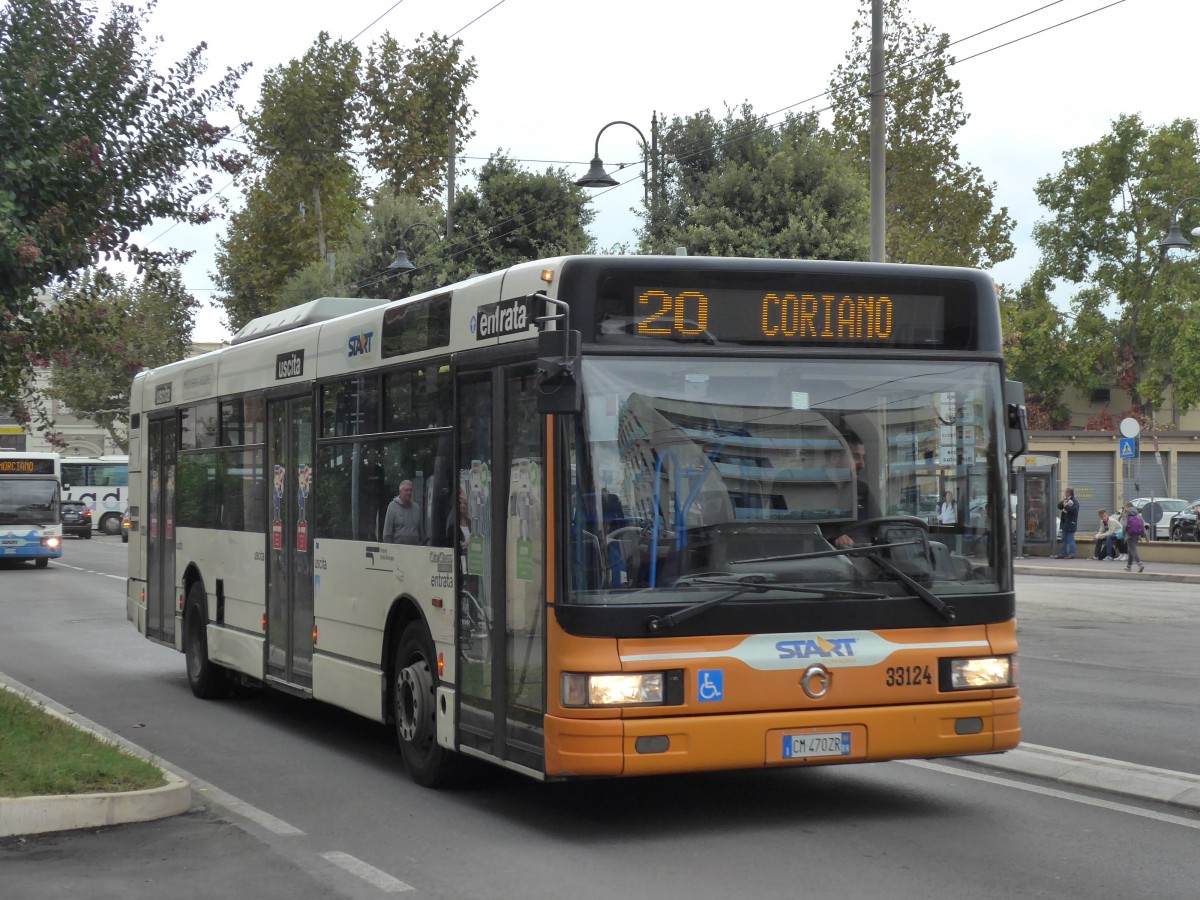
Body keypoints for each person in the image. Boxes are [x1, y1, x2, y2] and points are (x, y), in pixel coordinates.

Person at [833, 430, 871, 549]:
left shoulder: (862, 490)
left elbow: (880, 524)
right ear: (834, 457)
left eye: (862, 457)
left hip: (864, 558)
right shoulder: (810, 489)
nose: (862, 464)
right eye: (855, 457)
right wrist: (836, 538)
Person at [383, 479, 425, 545]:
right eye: (406, 490)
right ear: (400, 492)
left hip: (414, 550)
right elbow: (387, 533)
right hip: (397, 550)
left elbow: (421, 532)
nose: (409, 493)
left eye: (411, 490)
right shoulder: (392, 506)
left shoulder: (416, 507)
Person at [1054, 487, 1080, 559]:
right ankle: (1063, 554)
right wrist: (1063, 502)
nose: (1065, 493)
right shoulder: (1065, 500)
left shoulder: (1074, 501)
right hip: (1065, 523)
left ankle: (1071, 554)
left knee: (1070, 539)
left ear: (1069, 493)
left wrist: (1066, 506)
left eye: (1066, 492)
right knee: (1064, 539)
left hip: (1071, 523)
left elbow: (1074, 511)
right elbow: (1059, 506)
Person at [1122, 503, 1146, 573]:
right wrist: (1146, 536)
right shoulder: (1137, 514)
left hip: (1130, 535)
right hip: (1137, 535)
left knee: (1133, 550)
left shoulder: (1126, 514)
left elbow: (1125, 526)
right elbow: (1142, 526)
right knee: (1130, 550)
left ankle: (1140, 564)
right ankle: (1129, 566)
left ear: (1127, 507)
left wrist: (1123, 535)